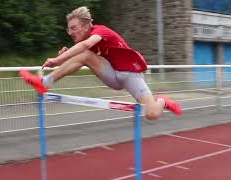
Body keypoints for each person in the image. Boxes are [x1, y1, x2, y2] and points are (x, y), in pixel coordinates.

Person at [20, 6, 182, 120]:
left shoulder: (100, 31)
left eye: (73, 28)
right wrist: (66, 56)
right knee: (84, 54)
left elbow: (84, 46)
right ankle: (44, 82)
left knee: (152, 114)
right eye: (68, 29)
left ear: (85, 26)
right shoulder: (87, 43)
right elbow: (84, 53)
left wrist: (57, 60)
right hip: (112, 75)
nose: (70, 32)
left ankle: (162, 100)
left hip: (130, 74)